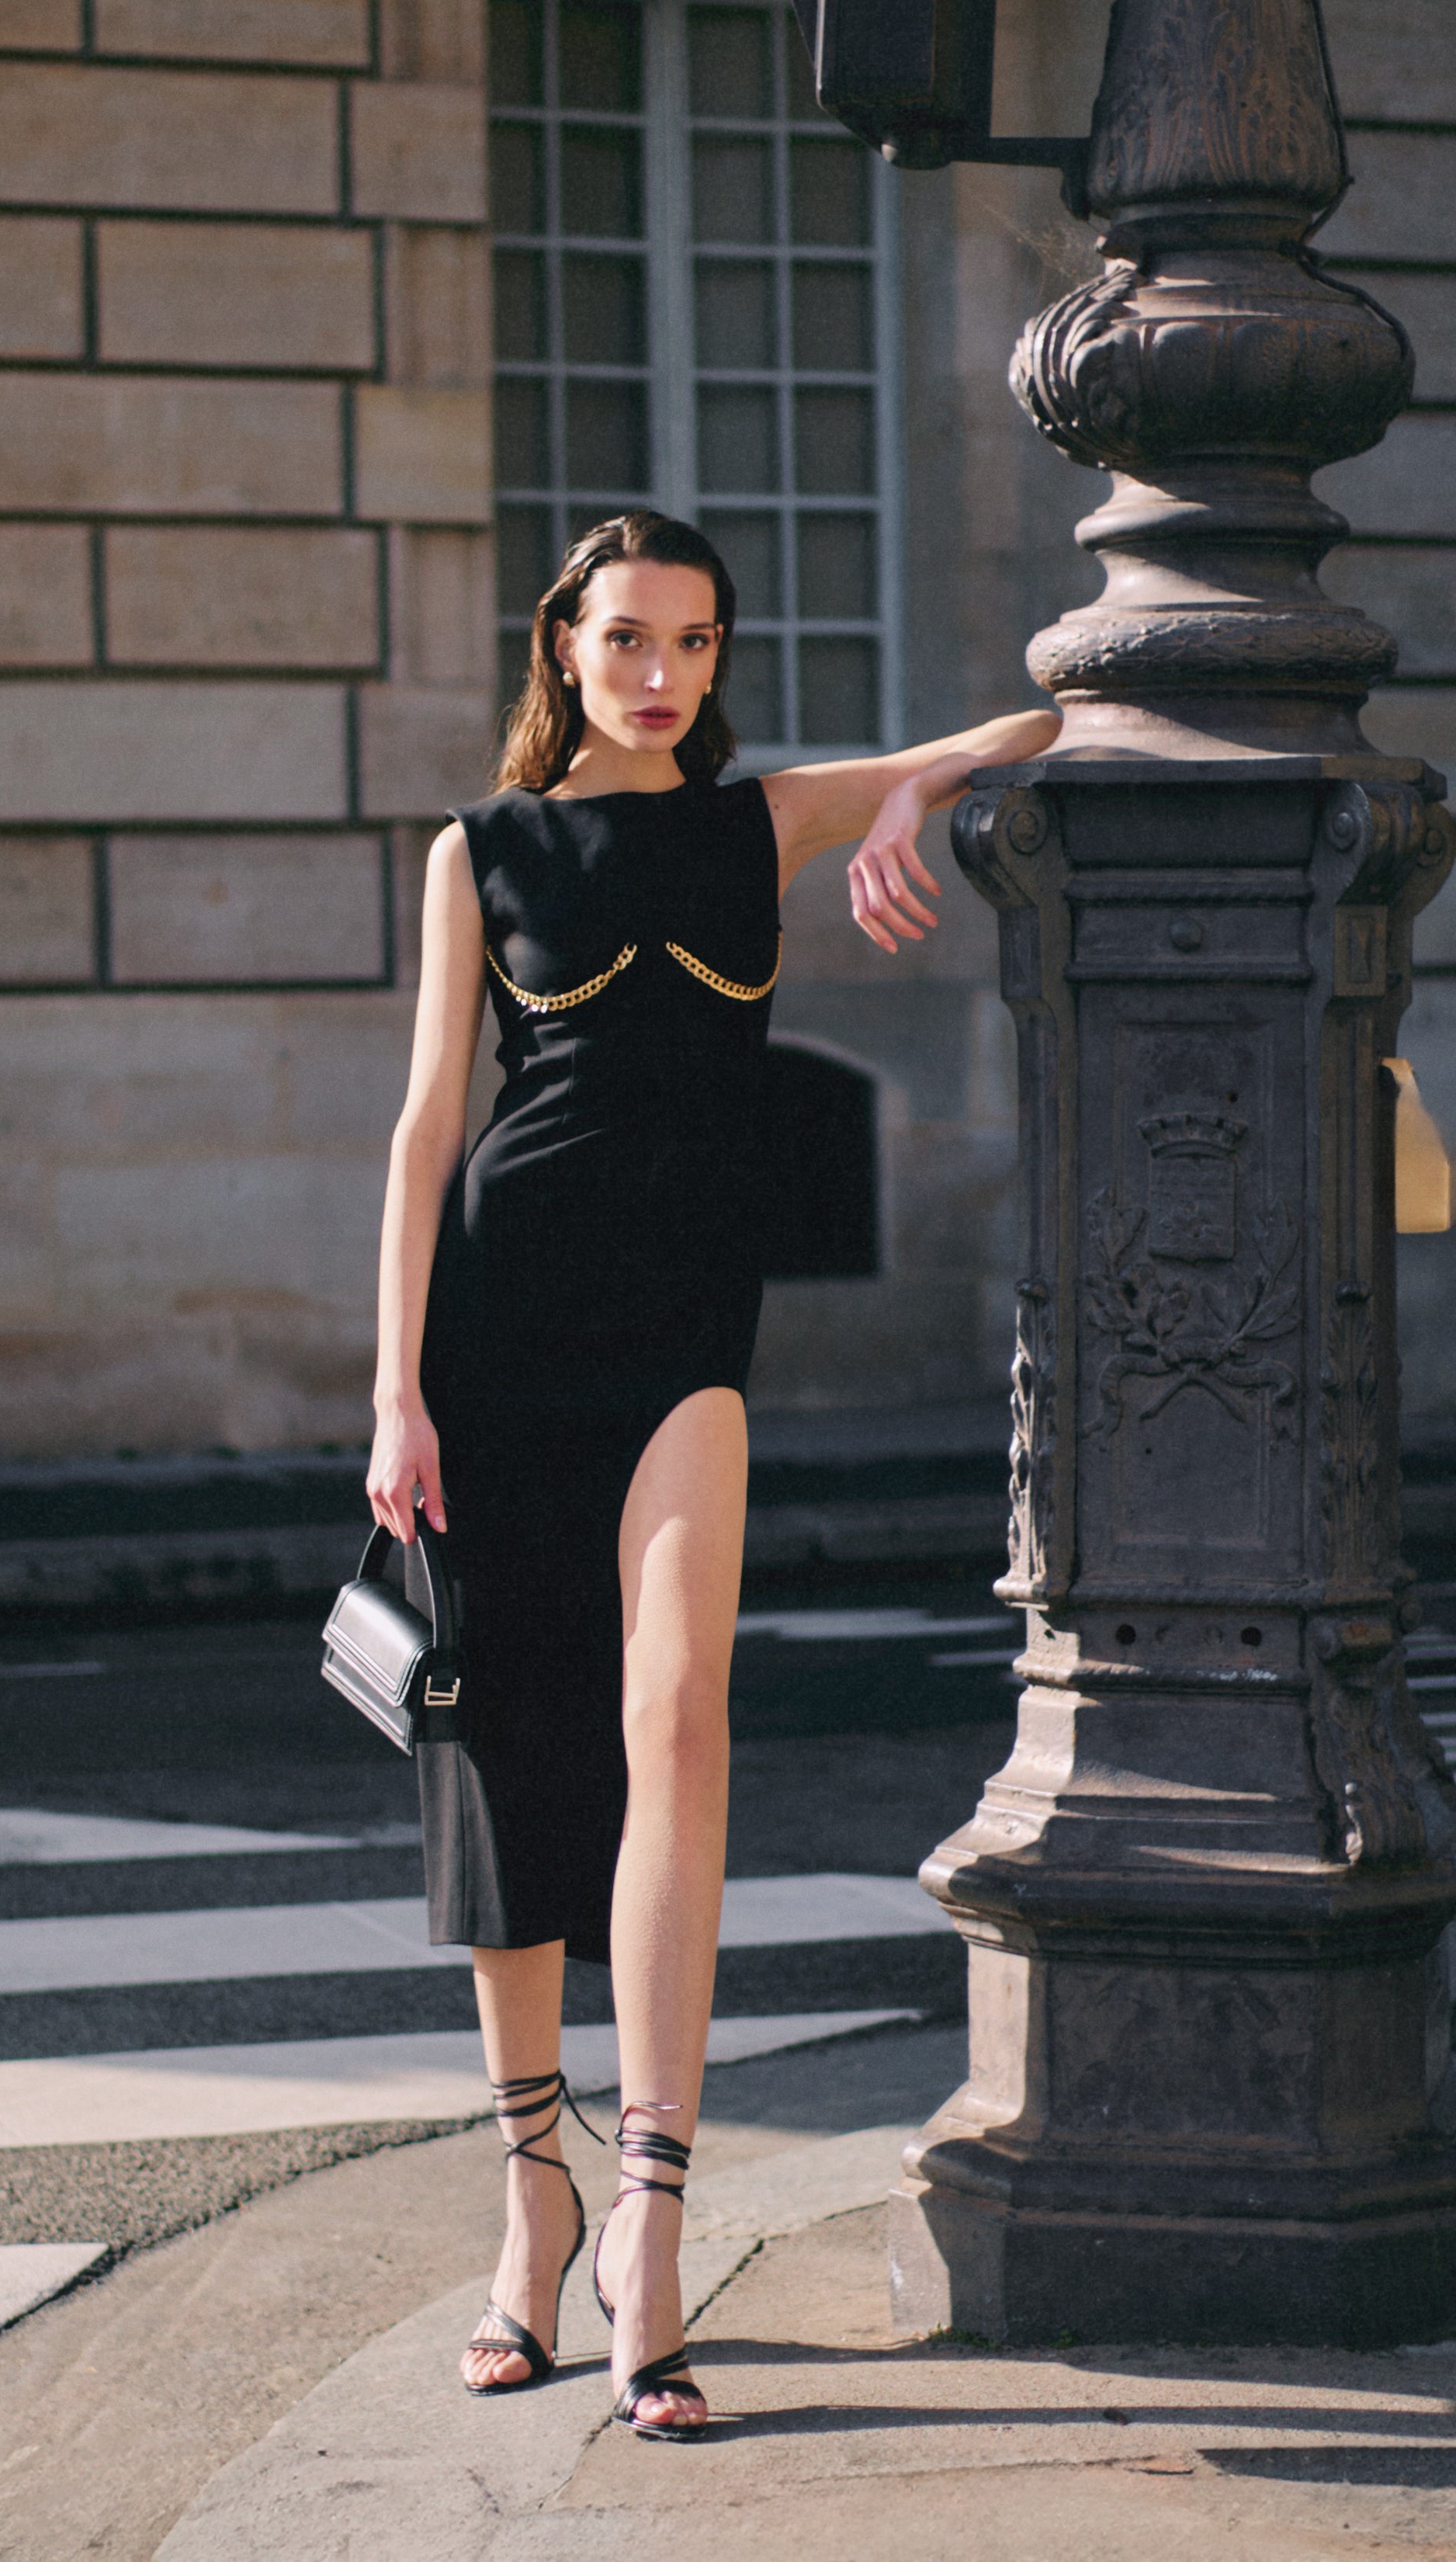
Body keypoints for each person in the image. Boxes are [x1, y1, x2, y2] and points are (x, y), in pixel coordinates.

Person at [366, 509, 1060, 2439]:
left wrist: (910, 794)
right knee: (507, 1745)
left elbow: (1032, 726)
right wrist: (390, 1388)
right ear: (562, 649)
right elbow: (429, 1129)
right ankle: (530, 2200)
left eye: (690, 639)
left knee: (675, 1722)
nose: (657, 671)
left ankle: (649, 2224)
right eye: (623, 639)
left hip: (687, 1332)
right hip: (496, 1333)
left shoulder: (761, 822)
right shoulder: (481, 851)